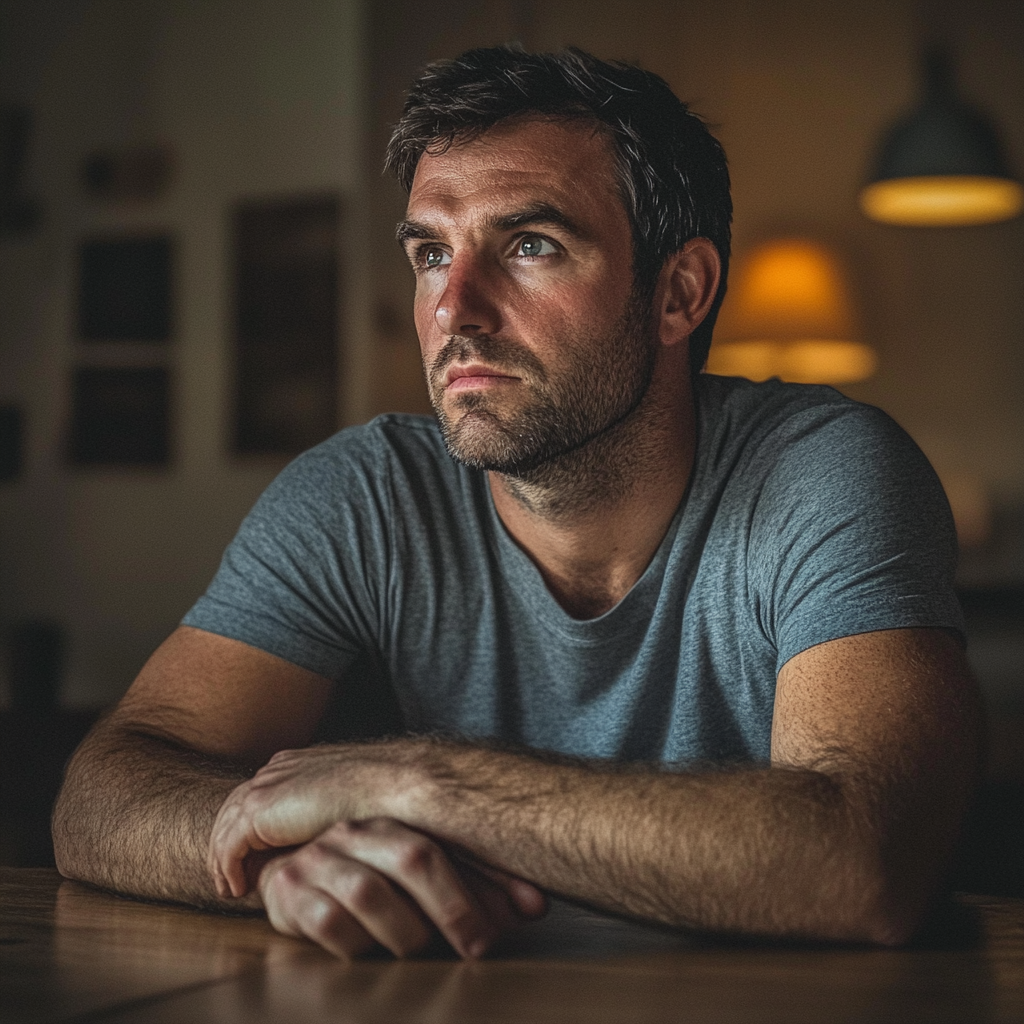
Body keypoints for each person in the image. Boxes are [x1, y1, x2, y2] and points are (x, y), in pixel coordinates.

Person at [53, 46, 979, 959]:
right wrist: (271, 860)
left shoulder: (822, 470)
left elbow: (865, 861)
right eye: (429, 253)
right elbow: (103, 791)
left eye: (530, 245)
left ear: (679, 292)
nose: (456, 308)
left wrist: (418, 781)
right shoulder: (362, 494)